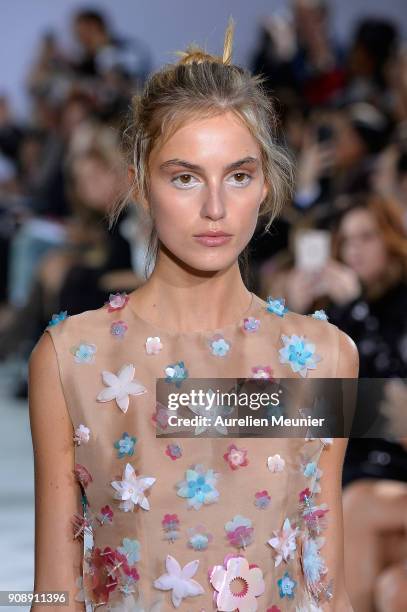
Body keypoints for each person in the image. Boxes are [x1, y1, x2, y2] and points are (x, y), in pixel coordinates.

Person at [28, 20, 358, 611]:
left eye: (238, 175)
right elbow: (54, 592)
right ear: (140, 186)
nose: (214, 208)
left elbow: (326, 587)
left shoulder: (324, 357)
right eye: (184, 177)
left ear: (266, 188)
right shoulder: (70, 358)